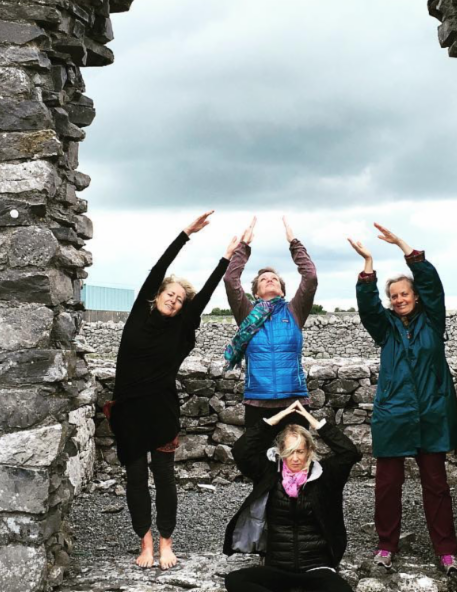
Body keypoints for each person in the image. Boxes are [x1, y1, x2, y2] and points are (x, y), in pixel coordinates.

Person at [109, 211, 239, 570]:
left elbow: (206, 295)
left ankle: (166, 541)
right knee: (136, 479)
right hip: (128, 412)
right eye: (171, 294)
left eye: (181, 299)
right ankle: (145, 543)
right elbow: (159, 268)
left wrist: (226, 259)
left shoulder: (181, 329)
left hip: (162, 411)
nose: (175, 300)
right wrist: (186, 233)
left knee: (165, 477)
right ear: (158, 295)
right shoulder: (140, 313)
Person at [348, 223, 457, 575]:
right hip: (394, 413)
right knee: (387, 486)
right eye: (394, 296)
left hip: (431, 412)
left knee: (437, 485)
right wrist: (368, 265)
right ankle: (386, 546)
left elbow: (432, 283)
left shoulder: (433, 321)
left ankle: (446, 551)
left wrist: (403, 245)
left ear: (415, 297)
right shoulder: (385, 328)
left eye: (405, 294)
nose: (399, 299)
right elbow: (368, 308)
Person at [223, 400, 360, 592]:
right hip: (278, 568)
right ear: (280, 452)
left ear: (309, 451)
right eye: (289, 452)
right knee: (235, 580)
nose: (295, 458)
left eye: (300, 452)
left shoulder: (326, 476)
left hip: (316, 568)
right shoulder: (269, 473)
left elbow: (349, 453)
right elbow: (241, 450)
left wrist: (315, 422)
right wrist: (274, 419)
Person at [223, 216, 318, 432]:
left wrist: (294, 243)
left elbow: (310, 277)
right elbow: (230, 280)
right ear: (256, 293)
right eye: (264, 279)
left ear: (282, 291)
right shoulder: (247, 313)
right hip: (257, 400)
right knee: (255, 454)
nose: (269, 279)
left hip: (294, 399)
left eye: (274, 278)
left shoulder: (294, 311)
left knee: (297, 454)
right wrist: (243, 246)